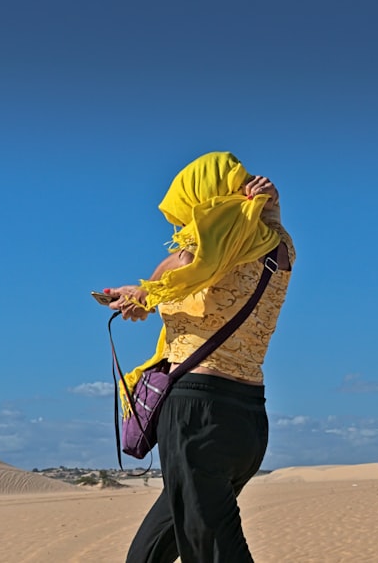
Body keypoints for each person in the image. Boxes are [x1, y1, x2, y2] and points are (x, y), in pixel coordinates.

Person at [103, 151, 294, 563]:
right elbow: (190, 274)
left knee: (215, 552)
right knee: (146, 555)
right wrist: (270, 206)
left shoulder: (205, 247)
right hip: (248, 422)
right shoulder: (280, 250)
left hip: (198, 413)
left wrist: (142, 292)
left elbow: (186, 264)